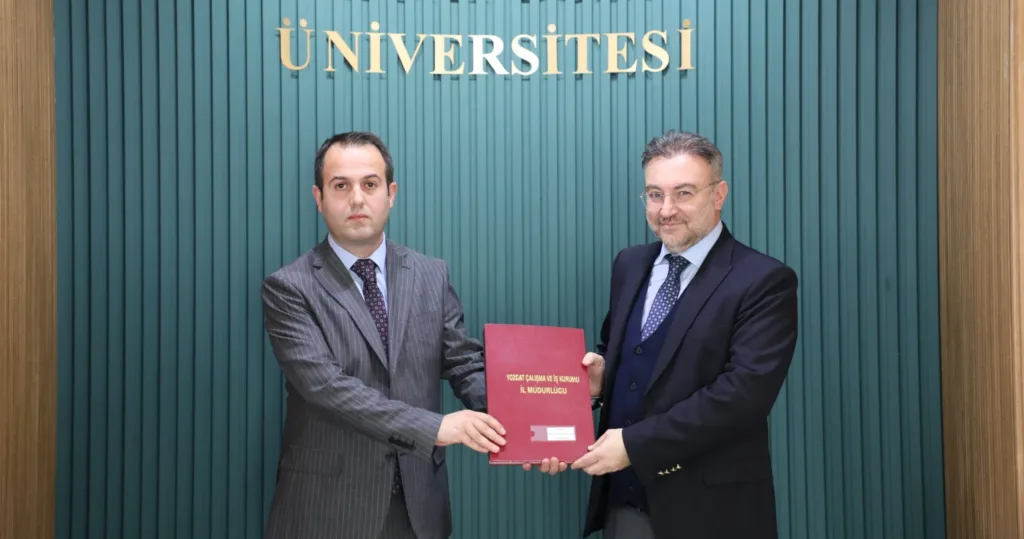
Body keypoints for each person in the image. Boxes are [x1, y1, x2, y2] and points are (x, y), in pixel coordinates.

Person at [527, 130, 798, 539]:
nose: (666, 210)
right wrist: (600, 379)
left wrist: (635, 445)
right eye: (655, 195)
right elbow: (626, 354)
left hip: (712, 511)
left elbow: (744, 395)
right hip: (624, 504)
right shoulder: (629, 264)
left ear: (719, 194)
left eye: (683, 193)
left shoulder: (763, 280)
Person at [261, 131, 506, 539]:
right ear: (319, 198)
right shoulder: (289, 287)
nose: (357, 199)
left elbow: (464, 364)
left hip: (419, 509)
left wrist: (525, 425)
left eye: (370, 184)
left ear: (391, 194)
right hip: (326, 509)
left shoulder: (431, 274)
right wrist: (435, 428)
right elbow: (326, 387)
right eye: (341, 186)